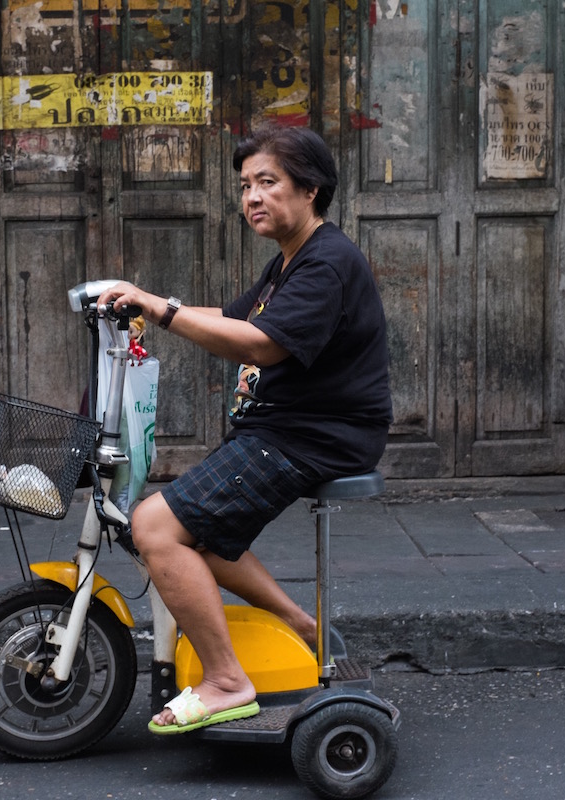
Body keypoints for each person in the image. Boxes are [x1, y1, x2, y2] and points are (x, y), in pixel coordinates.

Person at [97, 126, 392, 734]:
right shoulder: (290, 260)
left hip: (312, 437)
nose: (252, 197)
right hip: (283, 428)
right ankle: (304, 626)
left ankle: (226, 681)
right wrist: (145, 303)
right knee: (193, 528)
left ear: (310, 189)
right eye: (245, 186)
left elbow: (260, 344)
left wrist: (159, 309)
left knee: (154, 526)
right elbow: (231, 317)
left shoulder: (327, 263)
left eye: (267, 182)